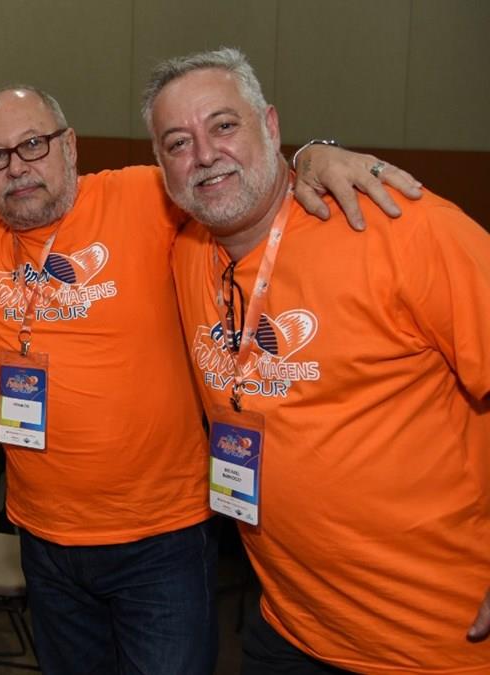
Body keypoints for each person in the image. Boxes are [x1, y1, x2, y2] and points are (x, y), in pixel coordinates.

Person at [0, 90, 418, 675]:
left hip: (160, 537)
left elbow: (224, 172)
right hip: (45, 540)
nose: (17, 167)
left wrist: (312, 154)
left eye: (33, 145)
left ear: (70, 145)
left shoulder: (144, 197)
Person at [147, 47, 490, 674]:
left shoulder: (401, 228)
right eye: (177, 142)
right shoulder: (184, 251)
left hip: (439, 642)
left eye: (224, 125)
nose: (204, 154)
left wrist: (314, 150)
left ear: (271, 126)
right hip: (288, 628)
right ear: (161, 167)